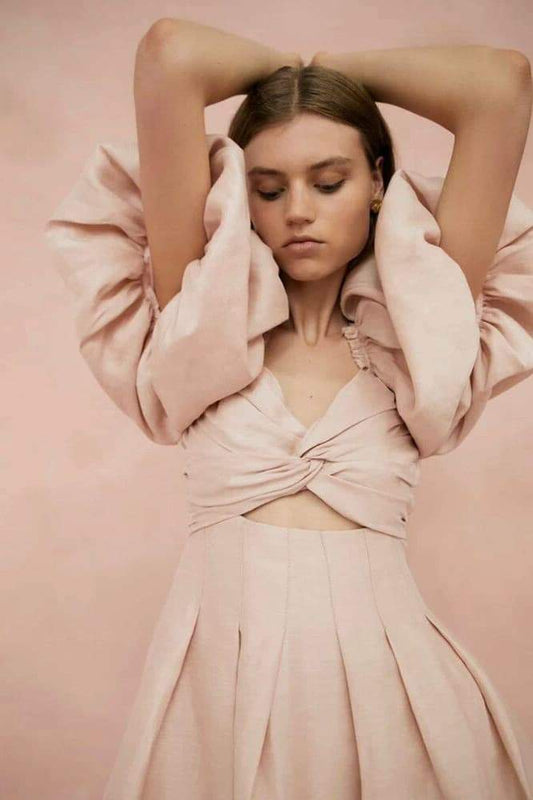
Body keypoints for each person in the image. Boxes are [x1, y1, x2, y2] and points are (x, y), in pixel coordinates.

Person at [44, 19, 533, 800]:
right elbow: (170, 54)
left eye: (328, 182)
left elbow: (501, 86)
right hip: (219, 690)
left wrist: (332, 72)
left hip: (393, 693)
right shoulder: (206, 325)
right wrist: (289, 75)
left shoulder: (415, 336)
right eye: (268, 189)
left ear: (377, 184)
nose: (296, 210)